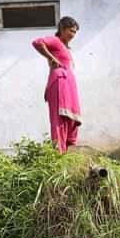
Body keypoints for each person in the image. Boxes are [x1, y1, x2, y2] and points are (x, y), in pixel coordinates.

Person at [32, 17, 82, 154]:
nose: (73, 35)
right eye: (71, 31)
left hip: (69, 86)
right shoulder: (55, 41)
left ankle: (64, 152)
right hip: (59, 82)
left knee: (71, 120)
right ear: (62, 29)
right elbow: (37, 42)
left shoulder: (66, 48)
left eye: (75, 32)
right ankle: (58, 154)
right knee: (59, 119)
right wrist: (51, 57)